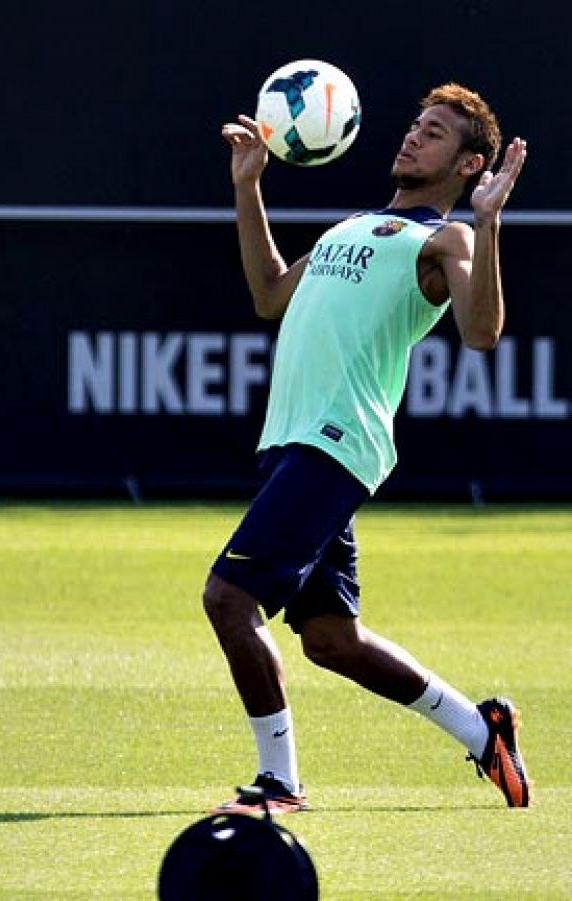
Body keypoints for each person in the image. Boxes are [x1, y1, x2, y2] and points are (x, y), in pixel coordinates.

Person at [205, 83, 530, 814]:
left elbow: (482, 334)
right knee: (329, 637)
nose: (414, 137)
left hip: (336, 442)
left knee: (228, 597)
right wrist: (248, 188)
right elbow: (268, 295)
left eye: (437, 132)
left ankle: (279, 781)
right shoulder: (348, 226)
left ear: (470, 164)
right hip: (289, 441)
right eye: (416, 124)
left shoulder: (446, 238)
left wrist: (489, 222)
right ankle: (484, 730)